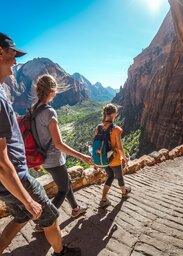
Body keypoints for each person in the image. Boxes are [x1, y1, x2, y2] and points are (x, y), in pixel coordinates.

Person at [0, 32, 81, 256]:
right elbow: (0, 160)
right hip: (17, 178)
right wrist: (27, 198)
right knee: (50, 216)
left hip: (9, 180)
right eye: (11, 54)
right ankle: (61, 252)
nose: (15, 61)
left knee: (21, 216)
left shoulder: (30, 107)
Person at [32, 75, 92, 231]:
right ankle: (44, 222)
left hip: (43, 158)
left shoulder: (35, 109)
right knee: (63, 190)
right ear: (52, 90)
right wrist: (82, 156)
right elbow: (58, 144)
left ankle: (75, 208)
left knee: (66, 183)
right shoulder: (49, 112)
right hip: (54, 160)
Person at [96, 103, 131, 208]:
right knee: (120, 177)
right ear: (114, 114)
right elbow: (120, 148)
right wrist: (125, 159)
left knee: (110, 176)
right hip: (114, 159)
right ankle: (124, 193)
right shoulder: (116, 129)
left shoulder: (98, 127)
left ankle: (103, 199)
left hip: (104, 159)